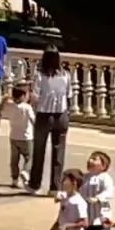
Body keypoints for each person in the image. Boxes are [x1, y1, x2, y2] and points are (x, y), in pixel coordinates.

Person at [27, 48, 73, 194]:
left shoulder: (40, 76)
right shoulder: (66, 75)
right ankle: (55, 186)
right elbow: (69, 95)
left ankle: (35, 184)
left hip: (44, 115)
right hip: (61, 115)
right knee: (59, 151)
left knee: (39, 150)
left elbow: (35, 97)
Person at [3, 82, 37, 189]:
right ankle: (26, 171)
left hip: (13, 136)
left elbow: (2, 113)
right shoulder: (27, 107)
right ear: (23, 96)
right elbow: (33, 120)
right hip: (26, 137)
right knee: (29, 157)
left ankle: (14, 179)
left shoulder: (10, 106)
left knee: (14, 160)